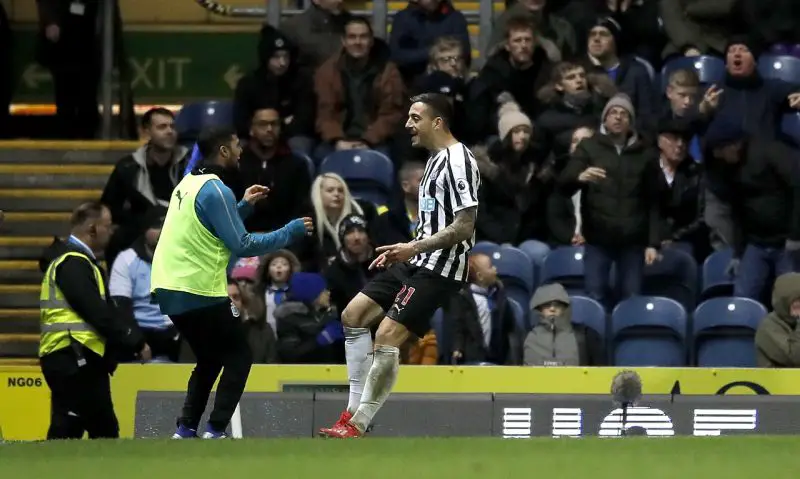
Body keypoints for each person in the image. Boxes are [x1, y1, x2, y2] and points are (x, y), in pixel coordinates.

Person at [319, 92, 480, 438]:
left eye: (415, 118)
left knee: (387, 334)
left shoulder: (459, 161)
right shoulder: (434, 160)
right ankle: (351, 410)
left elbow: (465, 226)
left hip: (441, 267)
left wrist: (413, 247)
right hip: (417, 258)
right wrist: (405, 250)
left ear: (437, 122)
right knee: (352, 315)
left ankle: (359, 422)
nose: (407, 124)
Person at [150, 126, 314, 439]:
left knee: (210, 358)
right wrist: (289, 232)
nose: (241, 152)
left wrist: (243, 206)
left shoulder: (188, 183)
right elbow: (243, 244)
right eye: (237, 145)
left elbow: (209, 226)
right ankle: (215, 430)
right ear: (223, 151)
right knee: (239, 355)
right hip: (198, 287)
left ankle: (185, 429)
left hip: (168, 286)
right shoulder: (216, 189)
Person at [39, 202, 151, 440]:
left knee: (81, 426)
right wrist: (133, 340)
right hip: (74, 355)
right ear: (92, 229)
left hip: (75, 356)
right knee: (90, 429)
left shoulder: (76, 262)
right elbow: (96, 312)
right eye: (107, 226)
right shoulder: (72, 263)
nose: (111, 232)